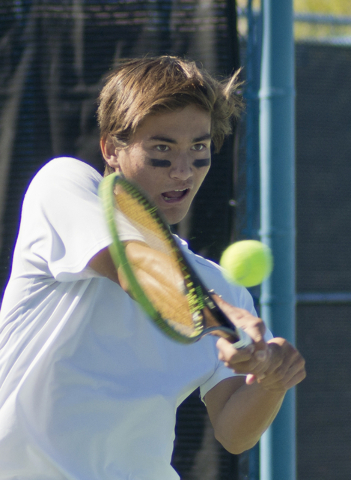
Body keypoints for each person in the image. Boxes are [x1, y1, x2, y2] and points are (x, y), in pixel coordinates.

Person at [0, 56, 305, 480]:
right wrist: (223, 316)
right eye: (161, 148)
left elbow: (236, 433)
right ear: (111, 148)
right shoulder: (62, 186)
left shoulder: (222, 285)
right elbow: (137, 270)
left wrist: (272, 382)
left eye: (198, 148)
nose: (183, 171)